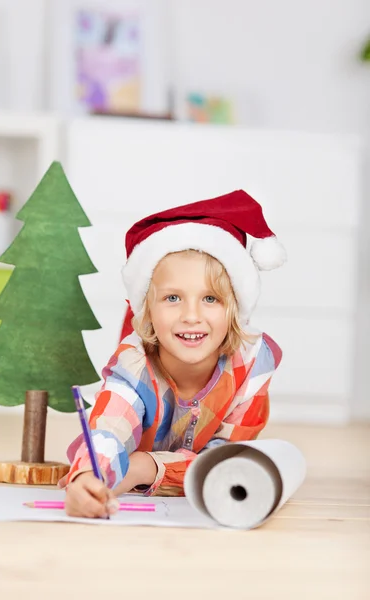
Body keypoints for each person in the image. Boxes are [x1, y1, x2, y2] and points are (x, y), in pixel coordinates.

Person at [63, 189, 287, 518]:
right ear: (147, 310)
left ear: (235, 309)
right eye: (172, 298)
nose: (191, 316)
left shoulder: (252, 365)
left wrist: (144, 467)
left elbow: (224, 463)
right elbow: (109, 429)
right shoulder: (134, 365)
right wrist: (87, 478)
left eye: (210, 299)